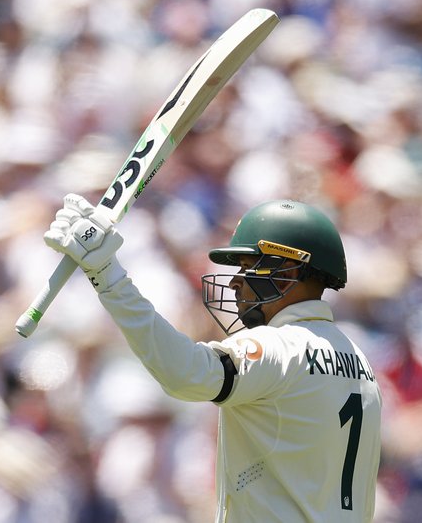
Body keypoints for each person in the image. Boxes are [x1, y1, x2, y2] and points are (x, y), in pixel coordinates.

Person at [43, 194, 383, 522]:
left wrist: (108, 276)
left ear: (290, 273)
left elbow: (185, 373)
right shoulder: (361, 363)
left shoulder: (280, 347)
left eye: (249, 267)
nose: (236, 282)